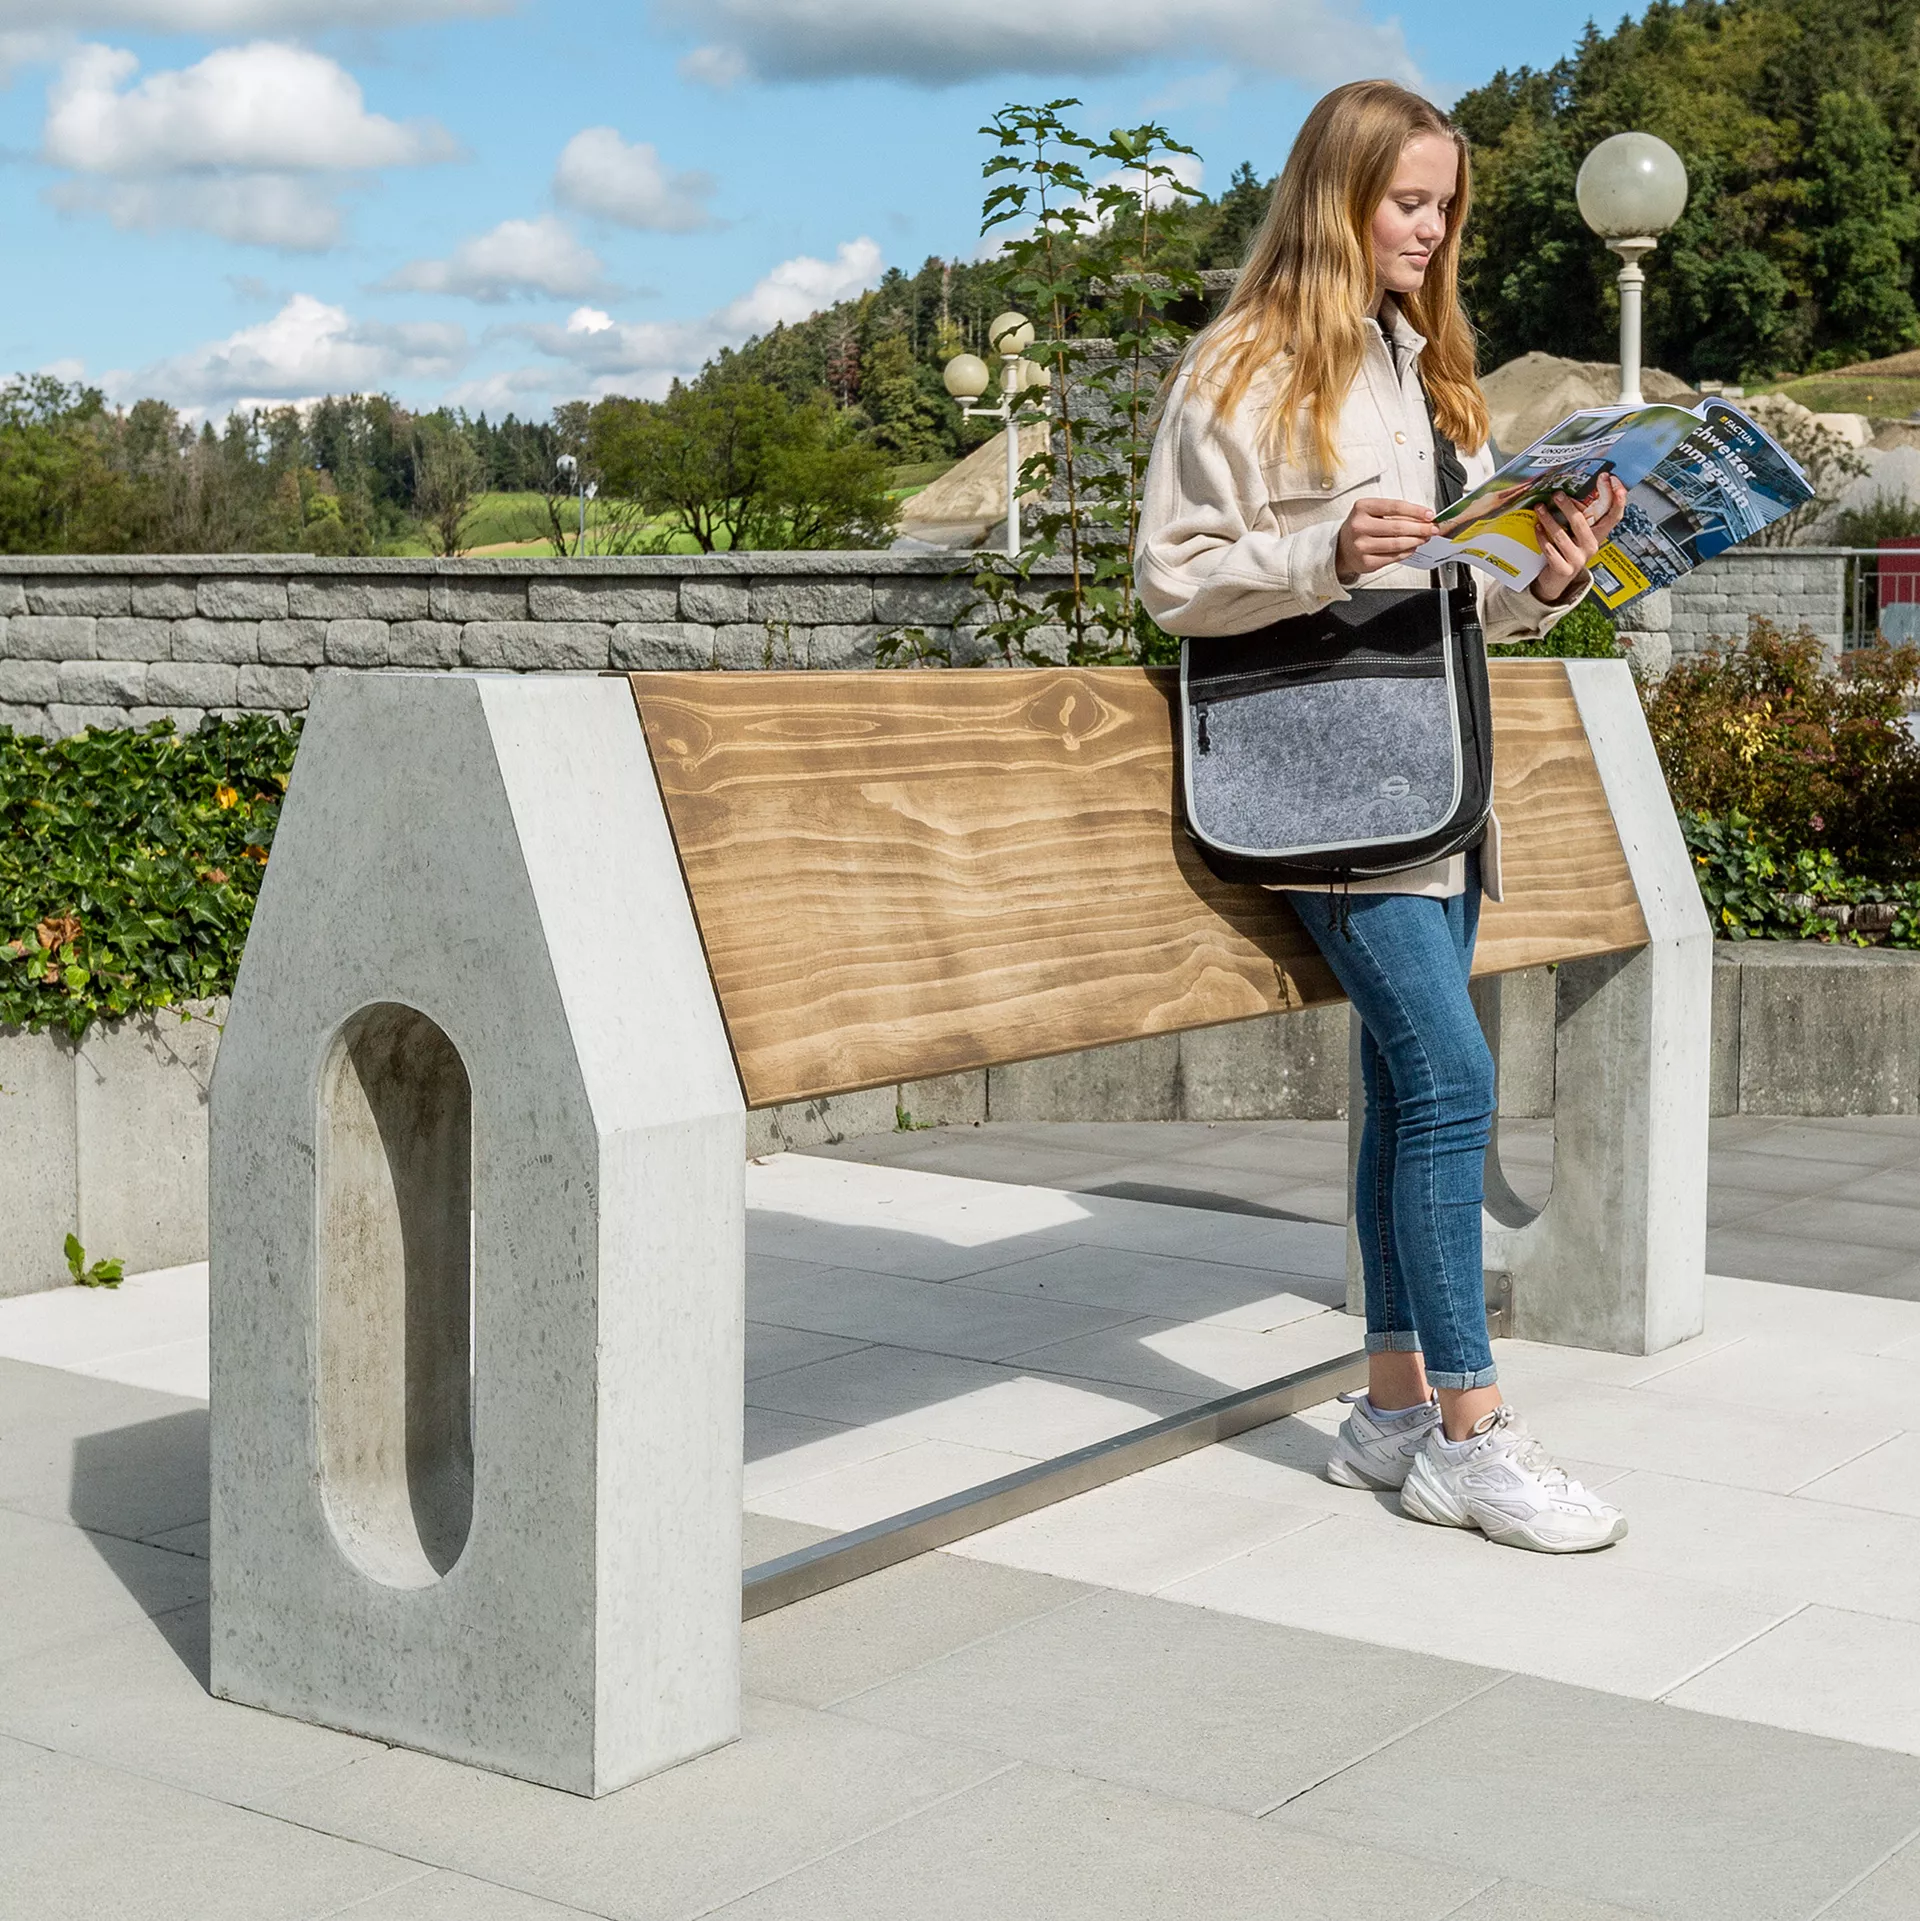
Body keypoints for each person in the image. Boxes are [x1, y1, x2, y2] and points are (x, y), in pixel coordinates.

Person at [1136, 79, 1631, 1554]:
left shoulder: (1425, 367)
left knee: (1413, 1095)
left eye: (1444, 207)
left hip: (1428, 772)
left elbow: (1442, 589)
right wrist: (1317, 542)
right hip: (1328, 784)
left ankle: (1392, 1408)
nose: (1431, 229)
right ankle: (1471, 1437)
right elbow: (1174, 576)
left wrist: (1544, 576)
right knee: (1456, 1086)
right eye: (1410, 202)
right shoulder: (1240, 365)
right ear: (1337, 197)